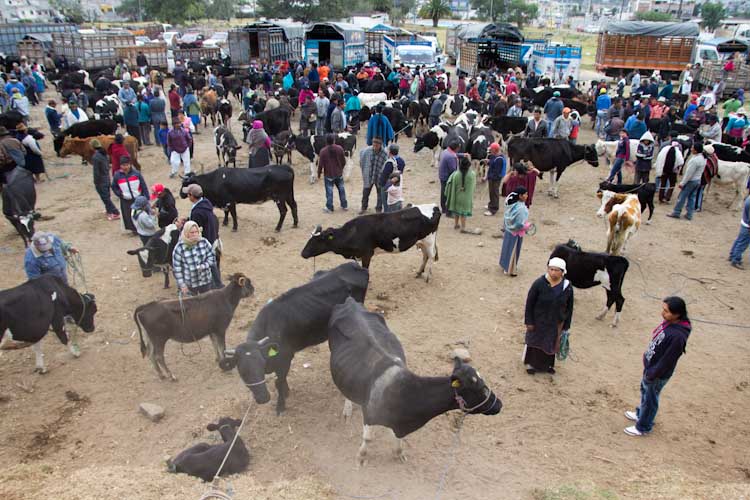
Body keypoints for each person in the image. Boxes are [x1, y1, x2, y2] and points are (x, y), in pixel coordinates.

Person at [624, 297, 691, 436]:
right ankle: (641, 414)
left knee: (650, 399)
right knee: (645, 392)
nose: (663, 313)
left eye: (666, 311)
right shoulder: (670, 323)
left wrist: (653, 373)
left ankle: (643, 426)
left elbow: (668, 360)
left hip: (657, 373)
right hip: (651, 368)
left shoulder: (678, 336)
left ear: (677, 314)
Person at [523, 257, 574, 374]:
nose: (553, 273)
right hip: (538, 320)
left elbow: (570, 307)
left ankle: (547, 365)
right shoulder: (539, 284)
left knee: (551, 343)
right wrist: (529, 321)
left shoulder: (567, 287)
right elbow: (529, 303)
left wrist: (566, 325)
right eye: (551, 269)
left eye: (557, 270)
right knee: (535, 342)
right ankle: (532, 365)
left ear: (562, 272)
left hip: (556, 321)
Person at [182, 183, 222, 288]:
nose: (187, 196)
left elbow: (195, 229)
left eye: (188, 194)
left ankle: (216, 285)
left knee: (209, 264)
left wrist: (184, 226)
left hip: (205, 240)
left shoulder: (197, 212)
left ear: (191, 196)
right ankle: (218, 283)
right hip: (212, 237)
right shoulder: (206, 204)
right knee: (213, 262)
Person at [172, 221, 216, 296]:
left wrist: (203, 266)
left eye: (196, 232)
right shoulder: (179, 247)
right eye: (192, 232)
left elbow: (212, 258)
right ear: (186, 233)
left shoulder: (204, 242)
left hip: (205, 281)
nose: (195, 234)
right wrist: (182, 285)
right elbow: (177, 269)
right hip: (190, 284)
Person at [667, 143, 704, 221]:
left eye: (692, 148)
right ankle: (689, 214)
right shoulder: (702, 158)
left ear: (696, 150)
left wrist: (682, 183)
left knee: (682, 197)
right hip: (697, 180)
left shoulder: (695, 160)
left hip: (691, 181)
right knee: (692, 198)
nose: (691, 149)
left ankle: (676, 212)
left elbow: (689, 174)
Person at [111, 156, 148, 233]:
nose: (125, 167)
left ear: (130, 164)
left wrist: (146, 197)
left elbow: (143, 185)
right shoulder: (117, 175)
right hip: (126, 200)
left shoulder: (136, 174)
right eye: (123, 165)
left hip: (138, 198)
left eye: (127, 165)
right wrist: (120, 194)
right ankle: (134, 230)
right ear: (120, 166)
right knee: (128, 215)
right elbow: (114, 186)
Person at [499, 187, 530, 275]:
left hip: (508, 230)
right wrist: (527, 226)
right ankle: (510, 269)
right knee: (513, 250)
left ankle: (504, 265)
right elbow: (519, 224)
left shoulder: (511, 204)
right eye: (525, 194)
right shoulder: (521, 208)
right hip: (516, 233)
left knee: (506, 248)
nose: (527, 196)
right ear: (520, 196)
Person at [89, 138, 120, 221]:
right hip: (107, 177)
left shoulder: (96, 157)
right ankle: (109, 210)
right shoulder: (104, 154)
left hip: (101, 180)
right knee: (107, 195)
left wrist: (96, 181)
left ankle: (115, 212)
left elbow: (96, 172)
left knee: (105, 197)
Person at [317, 134, 348, 213]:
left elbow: (320, 165)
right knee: (341, 190)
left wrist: (319, 173)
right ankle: (344, 205)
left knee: (329, 192)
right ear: (334, 140)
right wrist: (341, 168)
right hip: (338, 173)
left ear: (326, 141)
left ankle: (329, 207)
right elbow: (343, 161)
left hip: (328, 174)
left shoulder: (323, 151)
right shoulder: (340, 148)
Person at [445, 156, 477, 232]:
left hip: (457, 196)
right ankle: (463, 227)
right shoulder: (472, 175)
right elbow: (473, 187)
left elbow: (449, 185)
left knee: (457, 211)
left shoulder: (455, 175)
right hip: (466, 198)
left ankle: (456, 224)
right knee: (463, 213)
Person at [359, 136, 388, 214]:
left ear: (381, 144)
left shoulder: (384, 153)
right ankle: (363, 207)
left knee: (380, 194)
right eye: (374, 142)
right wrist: (364, 172)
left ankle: (378, 209)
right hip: (369, 175)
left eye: (377, 143)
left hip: (379, 176)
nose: (375, 144)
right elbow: (361, 161)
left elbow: (386, 166)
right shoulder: (367, 151)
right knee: (365, 192)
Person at [654, 136, 684, 204]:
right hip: (673, 171)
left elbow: (659, 158)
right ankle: (667, 197)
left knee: (663, 184)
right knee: (672, 184)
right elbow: (681, 161)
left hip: (664, 170)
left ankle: (661, 197)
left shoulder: (664, 149)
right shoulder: (677, 151)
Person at [379, 144, 405, 210]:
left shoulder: (389, 162)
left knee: (387, 205)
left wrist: (382, 185)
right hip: (398, 185)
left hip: (389, 185)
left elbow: (384, 176)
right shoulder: (402, 161)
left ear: (390, 152)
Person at [438, 139, 461, 215]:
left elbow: (455, 154)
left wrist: (462, 155)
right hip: (447, 177)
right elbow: (453, 170)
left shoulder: (445, 151)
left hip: (442, 174)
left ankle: (443, 207)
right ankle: (446, 209)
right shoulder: (451, 157)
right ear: (456, 148)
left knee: (443, 191)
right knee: (447, 192)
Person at [484, 142, 506, 216]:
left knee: (494, 193)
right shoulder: (494, 156)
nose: (490, 150)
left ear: (495, 150)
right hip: (492, 178)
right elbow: (493, 164)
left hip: (495, 179)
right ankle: (491, 204)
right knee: (491, 192)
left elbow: (496, 172)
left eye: (491, 149)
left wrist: (489, 177)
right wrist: (489, 162)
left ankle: (494, 209)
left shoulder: (499, 159)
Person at [729, 194, 750, 269]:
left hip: (744, 223)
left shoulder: (748, 198)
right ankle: (736, 260)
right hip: (748, 227)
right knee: (742, 244)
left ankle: (732, 255)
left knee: (739, 240)